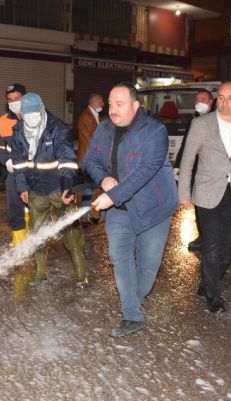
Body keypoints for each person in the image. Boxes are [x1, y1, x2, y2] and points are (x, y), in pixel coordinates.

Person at [84, 82, 178, 337]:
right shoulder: (103, 129)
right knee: (120, 257)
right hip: (120, 211)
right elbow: (90, 161)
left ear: (135, 106)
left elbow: (145, 171)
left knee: (147, 267)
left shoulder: (154, 131)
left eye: (120, 104)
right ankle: (132, 316)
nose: (113, 110)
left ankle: (132, 302)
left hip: (153, 209)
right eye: (111, 104)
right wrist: (104, 180)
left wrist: (111, 196)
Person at [178, 82, 231, 313]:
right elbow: (187, 160)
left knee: (227, 247)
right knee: (212, 246)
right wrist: (184, 193)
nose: (225, 102)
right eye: (221, 98)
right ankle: (214, 296)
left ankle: (207, 281)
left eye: (230, 98)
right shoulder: (200, 124)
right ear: (216, 99)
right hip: (207, 193)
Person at [10, 92, 88, 288]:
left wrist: (67, 187)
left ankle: (81, 275)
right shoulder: (18, 131)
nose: (30, 118)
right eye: (25, 114)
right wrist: (22, 188)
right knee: (37, 234)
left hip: (58, 188)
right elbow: (19, 164)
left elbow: (67, 161)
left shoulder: (57, 129)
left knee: (72, 233)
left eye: (33, 113)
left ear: (41, 109)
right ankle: (40, 273)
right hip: (36, 190)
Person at [0, 83, 29, 246]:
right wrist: (2, 160)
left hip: (33, 170)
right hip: (13, 171)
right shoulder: (2, 122)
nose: (13, 102)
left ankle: (32, 237)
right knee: (14, 206)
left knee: (34, 205)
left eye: (17, 98)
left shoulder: (35, 118)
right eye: (10, 99)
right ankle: (19, 241)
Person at [175, 89, 214, 251]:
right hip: (195, 170)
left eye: (203, 99)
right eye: (197, 99)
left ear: (211, 102)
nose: (200, 102)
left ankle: (211, 239)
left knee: (209, 207)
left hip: (210, 171)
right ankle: (202, 236)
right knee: (197, 205)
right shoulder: (193, 122)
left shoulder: (217, 121)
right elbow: (185, 146)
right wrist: (178, 165)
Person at [76, 93, 104, 162]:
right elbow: (90, 138)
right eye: (101, 102)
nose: (103, 104)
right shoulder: (86, 116)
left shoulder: (97, 116)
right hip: (87, 157)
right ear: (95, 102)